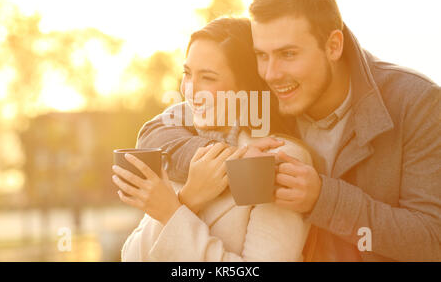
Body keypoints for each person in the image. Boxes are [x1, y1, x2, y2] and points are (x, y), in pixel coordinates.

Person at [134, 0, 441, 261]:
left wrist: (323, 199)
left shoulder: (417, 103)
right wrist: (227, 163)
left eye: (288, 54)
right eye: (261, 55)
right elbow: (157, 129)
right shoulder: (261, 95)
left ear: (333, 46)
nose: (270, 73)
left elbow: (431, 241)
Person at [113, 17, 316, 261]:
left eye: (208, 78)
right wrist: (188, 199)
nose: (190, 90)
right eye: (187, 74)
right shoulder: (187, 147)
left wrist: (172, 212)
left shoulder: (279, 157)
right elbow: (133, 258)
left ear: (246, 86)